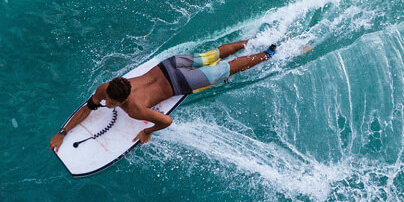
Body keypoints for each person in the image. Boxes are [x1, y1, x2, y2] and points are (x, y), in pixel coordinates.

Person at [49, 40, 275, 151]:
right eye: (107, 99)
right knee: (212, 54)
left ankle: (267, 53)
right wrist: (63, 132)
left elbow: (167, 120)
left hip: (184, 82)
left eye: (111, 102)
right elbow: (88, 107)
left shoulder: (135, 109)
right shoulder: (106, 88)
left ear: (123, 100)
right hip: (171, 64)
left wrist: (147, 131)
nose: (106, 103)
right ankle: (256, 40)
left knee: (228, 68)